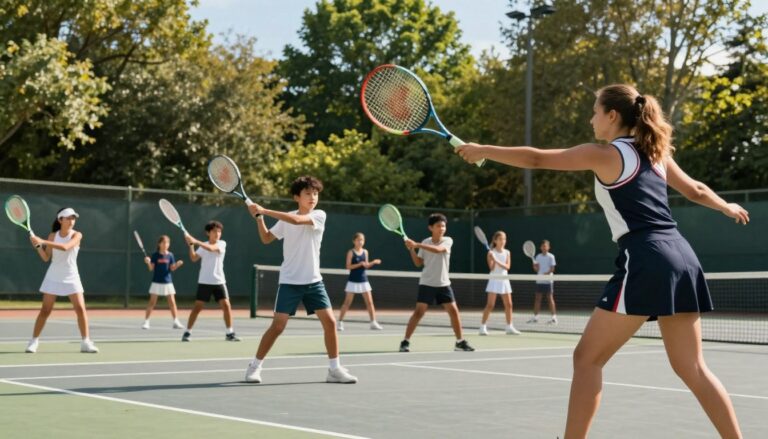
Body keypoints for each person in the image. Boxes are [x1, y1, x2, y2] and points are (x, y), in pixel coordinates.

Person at [456, 84, 747, 439]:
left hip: (646, 257)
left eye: (595, 111)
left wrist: (482, 149)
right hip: (682, 255)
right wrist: (726, 206)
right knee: (693, 367)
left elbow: (537, 159)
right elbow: (696, 190)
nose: (590, 118)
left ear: (612, 116)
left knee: (587, 359)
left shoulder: (604, 154)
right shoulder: (656, 154)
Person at [244, 176, 357, 384]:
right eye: (307, 194)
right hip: (289, 281)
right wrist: (259, 218)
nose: (313, 197)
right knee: (278, 326)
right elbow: (267, 238)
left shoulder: (319, 215)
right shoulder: (286, 219)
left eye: (315, 194)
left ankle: (334, 369)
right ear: (297, 197)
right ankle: (254, 366)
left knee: (330, 323)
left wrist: (265, 210)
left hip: (314, 282)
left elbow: (296, 221)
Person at [399, 213, 475, 353]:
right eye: (438, 226)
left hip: (444, 284)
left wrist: (416, 244)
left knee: (454, 312)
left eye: (443, 226)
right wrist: (412, 249)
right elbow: (418, 263)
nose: (442, 228)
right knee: (419, 313)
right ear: (430, 228)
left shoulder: (448, 241)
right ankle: (405, 341)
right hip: (427, 283)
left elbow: (439, 251)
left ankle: (460, 342)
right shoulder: (425, 242)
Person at [26, 207, 98, 353]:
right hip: (53, 276)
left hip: (72, 275)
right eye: (69, 218)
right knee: (45, 310)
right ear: (60, 220)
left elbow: (66, 247)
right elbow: (46, 258)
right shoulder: (52, 236)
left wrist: (43, 241)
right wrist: (38, 246)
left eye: (74, 218)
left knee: (80, 309)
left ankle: (85, 342)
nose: (72, 220)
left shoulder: (77, 235)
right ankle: (33, 341)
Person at [182, 221, 240, 342]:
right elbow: (193, 258)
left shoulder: (222, 244)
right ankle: (187, 332)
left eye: (219, 231)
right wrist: (191, 245)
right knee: (197, 308)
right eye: (214, 231)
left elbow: (211, 248)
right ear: (208, 233)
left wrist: (196, 241)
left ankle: (230, 333)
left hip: (219, 281)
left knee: (226, 306)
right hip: (204, 281)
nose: (217, 234)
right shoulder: (203, 246)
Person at [337, 232, 383, 331]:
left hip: (364, 280)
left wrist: (373, 262)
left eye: (362, 240)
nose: (360, 242)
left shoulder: (365, 252)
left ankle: (373, 323)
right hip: (353, 280)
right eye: (358, 240)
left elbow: (366, 265)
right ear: (354, 241)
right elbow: (348, 267)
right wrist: (359, 264)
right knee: (347, 303)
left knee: (370, 303)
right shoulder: (350, 252)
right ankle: (340, 322)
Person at [479, 231, 520, 335]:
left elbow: (507, 267)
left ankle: (509, 327)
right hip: (494, 279)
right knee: (490, 305)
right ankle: (482, 327)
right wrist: (491, 258)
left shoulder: (507, 252)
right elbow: (492, 268)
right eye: (501, 239)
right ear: (495, 240)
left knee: (509, 304)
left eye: (504, 239)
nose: (503, 241)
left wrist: (496, 260)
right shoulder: (490, 253)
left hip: (504, 279)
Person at [141, 235, 184, 330]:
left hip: (168, 282)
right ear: (159, 244)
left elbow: (172, 268)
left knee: (172, 302)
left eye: (167, 243)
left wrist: (177, 264)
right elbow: (151, 268)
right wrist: (148, 262)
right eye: (163, 242)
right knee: (152, 302)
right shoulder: (155, 255)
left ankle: (176, 322)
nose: (166, 244)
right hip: (156, 281)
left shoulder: (170, 255)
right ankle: (146, 322)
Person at [528, 239, 558, 325]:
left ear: (548, 247)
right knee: (537, 299)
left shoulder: (551, 256)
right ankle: (535, 317)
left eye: (545, 246)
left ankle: (554, 318)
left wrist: (546, 274)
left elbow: (552, 268)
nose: (544, 247)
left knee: (550, 298)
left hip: (548, 281)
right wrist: (534, 265)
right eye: (542, 246)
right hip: (539, 281)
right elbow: (536, 269)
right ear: (540, 247)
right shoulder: (537, 257)